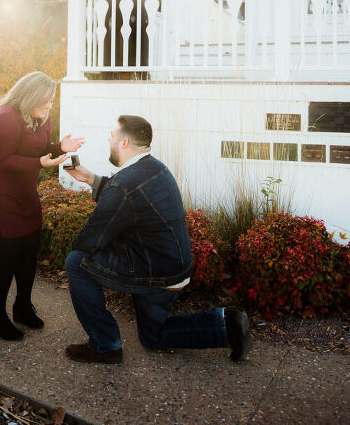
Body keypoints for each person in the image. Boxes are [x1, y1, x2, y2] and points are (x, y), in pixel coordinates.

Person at [64, 115, 252, 364]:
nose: (109, 139)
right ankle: (227, 325)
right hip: (174, 268)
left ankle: (105, 345)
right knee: (153, 337)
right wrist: (91, 179)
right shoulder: (155, 167)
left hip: (155, 273)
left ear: (124, 142)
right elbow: (127, 195)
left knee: (76, 262)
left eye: (112, 135)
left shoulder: (124, 185)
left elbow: (88, 241)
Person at [0, 71, 84, 341]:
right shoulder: (6, 118)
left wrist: (60, 147)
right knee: (8, 257)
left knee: (29, 252)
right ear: (29, 97)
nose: (50, 106)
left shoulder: (42, 117)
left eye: (52, 101)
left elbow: (41, 149)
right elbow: (3, 159)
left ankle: (22, 307)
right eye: (45, 101)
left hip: (24, 194)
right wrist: (39, 164)